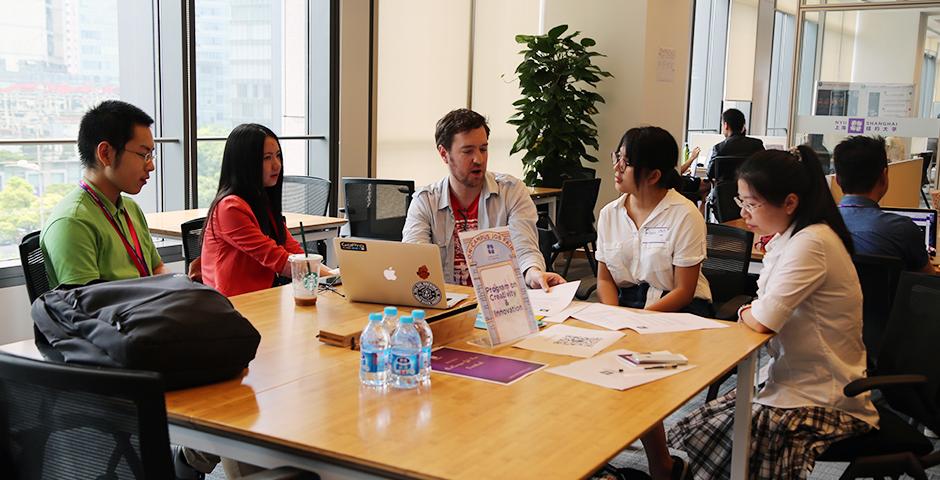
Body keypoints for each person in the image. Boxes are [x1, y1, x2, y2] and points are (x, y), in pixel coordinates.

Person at [667, 146, 878, 479]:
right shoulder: (790, 238)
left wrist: (750, 311)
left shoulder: (812, 242)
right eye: (741, 202)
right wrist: (753, 311)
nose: (744, 213)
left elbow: (763, 319)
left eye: (752, 203)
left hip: (823, 395)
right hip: (789, 379)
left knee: (731, 437)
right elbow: (761, 309)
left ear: (790, 202)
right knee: (702, 427)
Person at [595, 126, 712, 480]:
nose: (616, 167)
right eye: (616, 157)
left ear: (653, 174)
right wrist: (613, 318)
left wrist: (634, 325)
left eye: (625, 162)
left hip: (678, 308)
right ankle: (601, 458)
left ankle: (661, 465)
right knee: (584, 361)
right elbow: (604, 278)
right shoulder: (610, 213)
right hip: (624, 305)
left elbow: (684, 290)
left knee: (636, 373)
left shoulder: (684, 214)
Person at [402, 108, 564, 290]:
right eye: (467, 151)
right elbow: (414, 257)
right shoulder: (425, 201)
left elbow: (524, 248)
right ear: (444, 154)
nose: (478, 159)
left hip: (500, 302)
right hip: (448, 304)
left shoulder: (512, 192)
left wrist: (533, 273)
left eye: (483, 149)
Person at [201, 123, 336, 297]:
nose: (277, 165)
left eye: (278, 156)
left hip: (263, 299)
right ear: (246, 163)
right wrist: (332, 277)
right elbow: (276, 258)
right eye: (267, 158)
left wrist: (333, 276)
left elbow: (292, 249)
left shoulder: (261, 201)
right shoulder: (230, 208)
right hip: (233, 306)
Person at [42, 100, 166, 288]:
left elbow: (157, 269)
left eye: (151, 155)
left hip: (146, 310)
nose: (151, 166)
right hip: (113, 316)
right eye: (144, 155)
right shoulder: (73, 221)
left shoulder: (130, 208)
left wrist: (180, 288)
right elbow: (88, 307)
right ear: (106, 153)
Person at [833, 135, 934, 273]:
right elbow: (928, 283)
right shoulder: (903, 230)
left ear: (837, 180)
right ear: (884, 176)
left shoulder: (820, 225)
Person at [705, 108, 765, 179]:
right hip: (750, 188)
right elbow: (764, 168)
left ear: (725, 125)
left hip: (724, 189)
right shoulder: (757, 144)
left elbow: (710, 174)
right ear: (743, 126)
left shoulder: (718, 148)